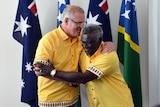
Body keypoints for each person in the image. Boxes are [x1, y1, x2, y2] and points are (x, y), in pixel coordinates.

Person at [34, 24, 134, 107]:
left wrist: (53, 71)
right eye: (83, 43)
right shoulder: (83, 50)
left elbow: (84, 78)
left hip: (118, 103)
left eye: (89, 44)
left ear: (99, 41)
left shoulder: (107, 56)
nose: (85, 47)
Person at [33, 5, 114, 107]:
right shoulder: (48, 40)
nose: (82, 27)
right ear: (66, 21)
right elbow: (39, 70)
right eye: (78, 23)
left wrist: (109, 44)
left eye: (83, 23)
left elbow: (98, 44)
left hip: (72, 99)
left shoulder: (81, 38)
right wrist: (68, 80)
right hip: (52, 100)